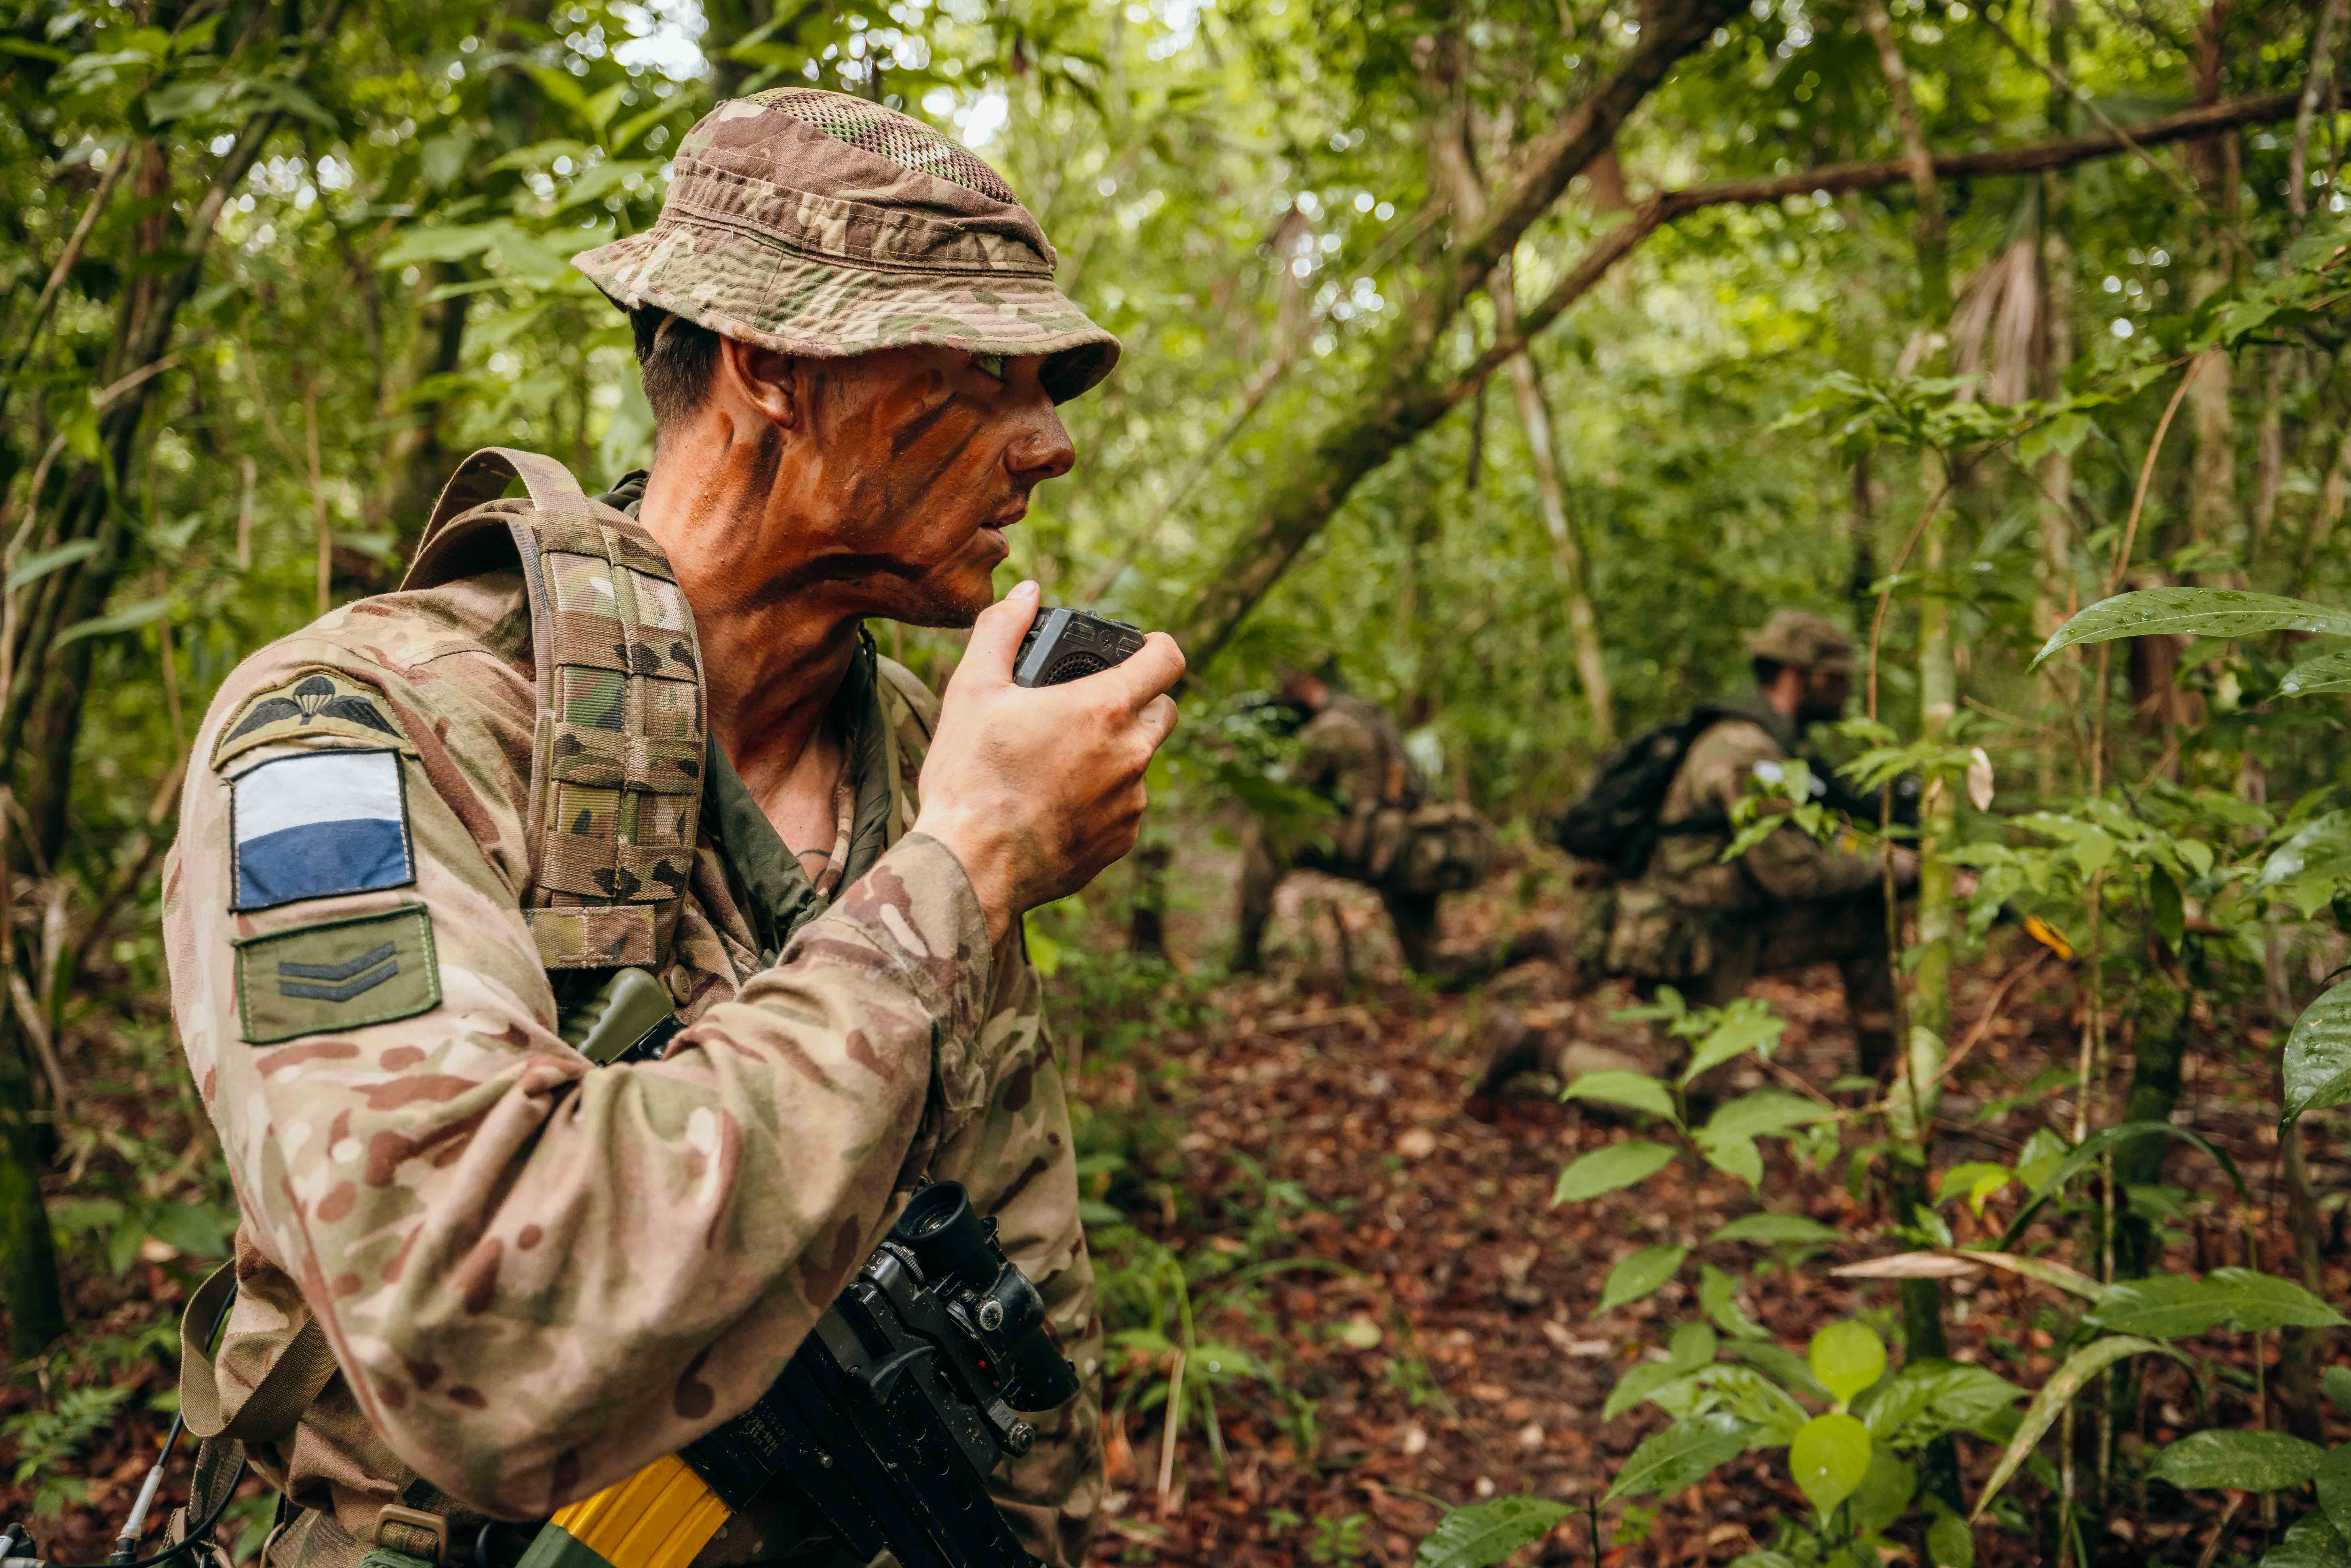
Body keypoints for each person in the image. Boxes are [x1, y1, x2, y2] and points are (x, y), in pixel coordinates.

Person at [160, 90, 1182, 1568]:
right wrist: (957, 874)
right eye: (983, 372)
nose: (1047, 443)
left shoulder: (914, 746)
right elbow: (483, 1332)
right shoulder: (357, 729)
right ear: (774, 364)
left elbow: (1011, 1248)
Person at [1477, 610, 1915, 1097]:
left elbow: (1794, 846)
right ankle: (1536, 1048)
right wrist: (1888, 866)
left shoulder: (1766, 741)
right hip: (1689, 935)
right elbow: (1789, 873)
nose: (1842, 692)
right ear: (1800, 674)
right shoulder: (1746, 751)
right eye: (1835, 679)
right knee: (1687, 1098)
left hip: (1733, 923)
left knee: (1863, 918)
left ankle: (1889, 1087)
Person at [1232, 663, 1449, 975]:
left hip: (1372, 845)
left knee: (1267, 834)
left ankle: (1245, 957)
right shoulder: (1371, 716)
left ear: (1307, 684)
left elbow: (1285, 790)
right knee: (1430, 966)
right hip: (1404, 839)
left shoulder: (1329, 728)